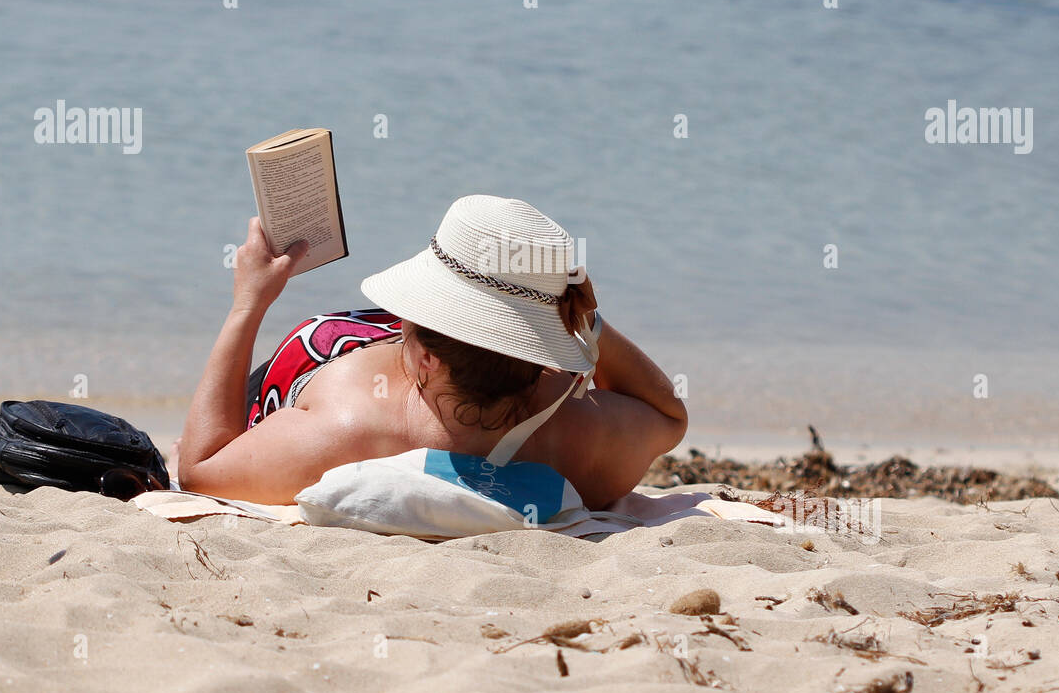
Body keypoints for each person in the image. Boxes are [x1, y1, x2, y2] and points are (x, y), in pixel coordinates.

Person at [176, 195, 687, 509]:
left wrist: (248, 303)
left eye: (411, 322)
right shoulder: (586, 438)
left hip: (313, 374)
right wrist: (583, 321)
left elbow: (199, 470)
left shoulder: (342, 427)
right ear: (538, 349)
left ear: (424, 358)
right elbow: (668, 414)